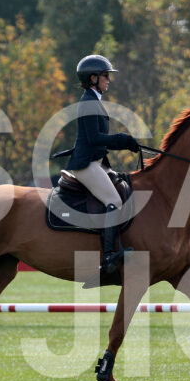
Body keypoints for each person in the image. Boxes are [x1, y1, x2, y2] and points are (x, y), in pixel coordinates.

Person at [65, 54, 140, 273]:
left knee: (125, 187)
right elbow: (94, 138)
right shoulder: (88, 102)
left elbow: (100, 141)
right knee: (114, 200)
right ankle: (108, 257)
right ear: (93, 78)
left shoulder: (94, 100)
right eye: (106, 75)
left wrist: (127, 143)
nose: (109, 80)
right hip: (86, 164)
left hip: (97, 162)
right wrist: (122, 139)